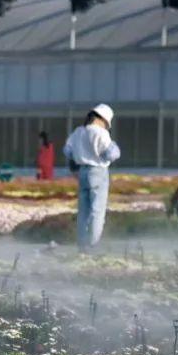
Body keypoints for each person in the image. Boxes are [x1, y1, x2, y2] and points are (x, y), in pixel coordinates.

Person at [64, 103, 121, 253]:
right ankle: (94, 245)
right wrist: (111, 148)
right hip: (98, 172)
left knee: (83, 211)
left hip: (82, 172)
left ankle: (82, 246)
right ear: (104, 120)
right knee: (97, 211)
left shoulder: (78, 132)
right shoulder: (100, 133)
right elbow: (111, 154)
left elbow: (67, 151)